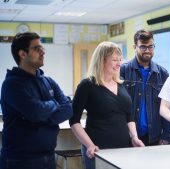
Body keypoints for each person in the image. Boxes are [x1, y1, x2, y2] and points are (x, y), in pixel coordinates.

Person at [0, 32, 73, 169]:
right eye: (37, 48)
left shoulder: (48, 81)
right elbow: (36, 112)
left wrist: (42, 117)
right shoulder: (12, 84)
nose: (42, 52)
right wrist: (53, 104)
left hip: (48, 157)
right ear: (22, 54)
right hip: (20, 161)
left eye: (42, 49)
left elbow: (68, 109)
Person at [69, 41, 144, 169]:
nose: (119, 63)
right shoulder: (87, 85)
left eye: (120, 59)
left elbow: (129, 116)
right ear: (102, 61)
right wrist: (89, 145)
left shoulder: (122, 85)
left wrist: (134, 137)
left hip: (124, 148)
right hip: (98, 150)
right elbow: (74, 120)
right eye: (114, 60)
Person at [120, 29, 170, 146]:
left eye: (150, 47)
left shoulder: (162, 73)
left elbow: (168, 106)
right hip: (128, 136)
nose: (147, 50)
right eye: (143, 47)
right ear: (135, 47)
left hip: (153, 136)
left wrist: (166, 135)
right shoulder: (123, 71)